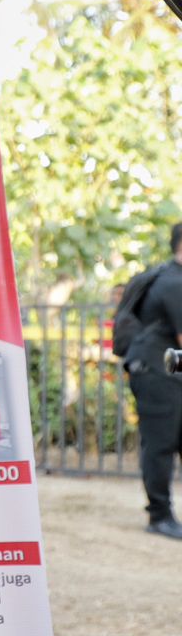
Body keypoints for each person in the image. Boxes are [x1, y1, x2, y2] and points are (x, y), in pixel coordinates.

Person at [125, 223, 182, 539]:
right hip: (158, 374)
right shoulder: (175, 284)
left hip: (170, 372)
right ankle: (159, 516)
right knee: (160, 445)